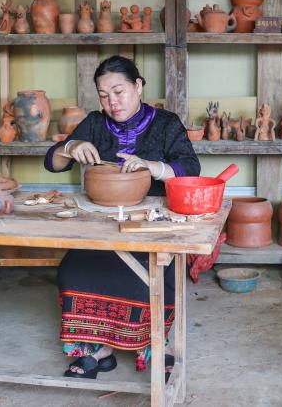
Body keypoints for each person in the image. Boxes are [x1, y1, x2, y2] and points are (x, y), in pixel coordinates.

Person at [44, 55, 199, 379]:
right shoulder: (94, 123)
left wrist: (153, 166)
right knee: (75, 268)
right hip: (102, 221)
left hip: (152, 222)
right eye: (104, 95)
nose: (112, 102)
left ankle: (157, 345)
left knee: (150, 274)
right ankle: (97, 348)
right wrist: (70, 147)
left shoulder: (166, 123)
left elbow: (191, 169)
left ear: (138, 86)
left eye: (119, 92)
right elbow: (52, 163)